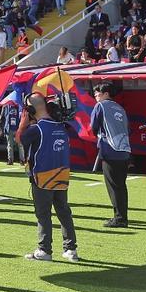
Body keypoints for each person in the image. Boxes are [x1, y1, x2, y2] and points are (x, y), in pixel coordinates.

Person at [21, 93, 79, 262]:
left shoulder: (36, 129)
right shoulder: (62, 126)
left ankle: (44, 250)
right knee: (64, 212)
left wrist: (24, 122)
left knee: (43, 214)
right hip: (62, 175)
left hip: (43, 177)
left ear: (31, 110)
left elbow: (20, 139)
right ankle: (71, 249)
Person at [89, 83, 131, 227]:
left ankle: (120, 218)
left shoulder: (100, 106)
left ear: (106, 94)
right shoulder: (120, 108)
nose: (96, 96)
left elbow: (93, 126)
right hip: (124, 150)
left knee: (113, 186)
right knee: (121, 185)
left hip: (110, 149)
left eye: (98, 93)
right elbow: (127, 129)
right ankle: (122, 216)